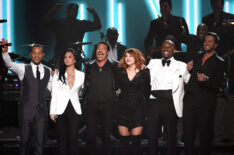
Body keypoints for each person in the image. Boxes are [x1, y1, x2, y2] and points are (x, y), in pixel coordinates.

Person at [1, 39, 52, 155]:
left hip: (41, 112)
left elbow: (52, 90)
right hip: (26, 111)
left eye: (39, 53)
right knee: (25, 142)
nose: (37, 55)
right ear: (30, 54)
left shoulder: (49, 71)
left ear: (43, 55)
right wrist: (5, 53)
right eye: (34, 52)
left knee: (40, 143)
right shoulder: (23, 68)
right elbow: (10, 65)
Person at [183, 32, 225, 155]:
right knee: (188, 133)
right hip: (190, 99)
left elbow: (219, 83)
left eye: (210, 41)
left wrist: (207, 80)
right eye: (205, 41)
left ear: (216, 45)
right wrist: (189, 67)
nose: (206, 43)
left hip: (206, 101)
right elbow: (190, 75)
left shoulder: (219, 61)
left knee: (204, 133)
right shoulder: (197, 56)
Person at [147, 40, 190, 155]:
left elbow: (190, 82)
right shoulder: (152, 63)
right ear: (161, 49)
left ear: (174, 49)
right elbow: (143, 76)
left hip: (171, 102)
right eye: (164, 47)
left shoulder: (182, 66)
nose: (166, 49)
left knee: (171, 134)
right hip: (154, 101)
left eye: (169, 47)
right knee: (152, 133)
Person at [83, 42, 118, 155]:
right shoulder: (89, 65)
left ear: (107, 52)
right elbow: (84, 83)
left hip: (108, 104)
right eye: (98, 48)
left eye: (103, 49)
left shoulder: (115, 66)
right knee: (91, 137)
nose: (100, 50)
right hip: (91, 104)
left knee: (106, 136)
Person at [44, 3, 102, 68]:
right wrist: (53, 10)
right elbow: (45, 23)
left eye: (75, 11)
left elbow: (98, 25)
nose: (74, 13)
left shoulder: (81, 24)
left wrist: (94, 13)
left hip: (75, 58)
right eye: (72, 11)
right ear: (67, 12)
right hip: (61, 57)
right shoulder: (60, 23)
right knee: (60, 76)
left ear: (77, 13)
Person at [50, 48, 85, 155]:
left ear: (74, 60)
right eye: (65, 57)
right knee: (62, 139)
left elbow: (82, 91)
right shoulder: (57, 73)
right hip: (60, 110)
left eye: (70, 57)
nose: (67, 59)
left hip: (75, 110)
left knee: (73, 139)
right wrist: (52, 111)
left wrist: (80, 92)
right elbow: (54, 93)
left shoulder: (81, 75)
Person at [115, 48, 150, 155]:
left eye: (130, 56)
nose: (128, 58)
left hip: (138, 110)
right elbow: (115, 88)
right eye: (126, 56)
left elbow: (148, 92)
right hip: (122, 110)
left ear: (136, 57)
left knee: (136, 142)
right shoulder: (119, 71)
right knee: (124, 143)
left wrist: (147, 112)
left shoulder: (145, 72)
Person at [202, 0, 234, 93]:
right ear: (211, 5)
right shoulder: (206, 19)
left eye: (218, 3)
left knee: (231, 77)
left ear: (222, 4)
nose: (216, 5)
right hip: (212, 54)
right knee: (213, 79)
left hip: (228, 54)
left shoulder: (231, 18)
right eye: (214, 3)